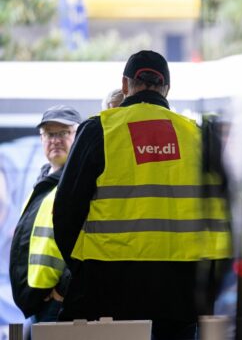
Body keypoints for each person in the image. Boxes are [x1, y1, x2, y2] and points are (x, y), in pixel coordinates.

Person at [52, 50, 231, 340]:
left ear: (125, 85)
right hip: (179, 296)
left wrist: (85, 270)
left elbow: (65, 214)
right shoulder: (198, 136)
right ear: (167, 89)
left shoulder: (100, 131)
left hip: (106, 290)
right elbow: (224, 218)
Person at [9, 105, 81, 323]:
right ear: (41, 138)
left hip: (57, 303)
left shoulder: (78, 181)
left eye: (63, 133)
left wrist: (63, 289)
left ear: (78, 137)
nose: (55, 140)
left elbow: (87, 239)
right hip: (40, 302)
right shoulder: (44, 182)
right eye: (50, 133)